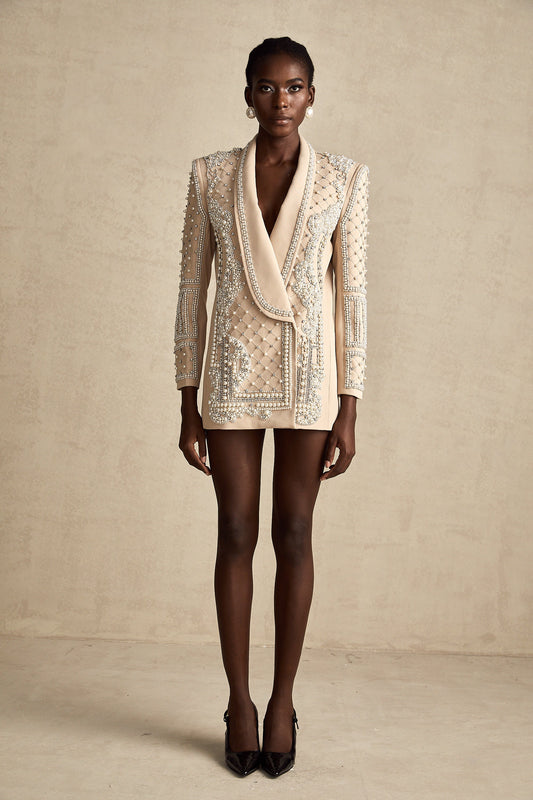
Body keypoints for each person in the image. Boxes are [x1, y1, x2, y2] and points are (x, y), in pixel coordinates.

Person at [174, 36, 370, 778]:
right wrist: (186, 398)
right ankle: (239, 701)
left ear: (312, 96)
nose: (279, 100)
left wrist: (349, 404)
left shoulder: (344, 179)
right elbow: (190, 290)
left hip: (309, 377)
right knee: (234, 529)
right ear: (248, 93)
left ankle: (283, 699)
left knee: (294, 530)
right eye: (265, 86)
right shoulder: (210, 175)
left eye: (293, 87)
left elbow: (352, 298)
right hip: (229, 374)